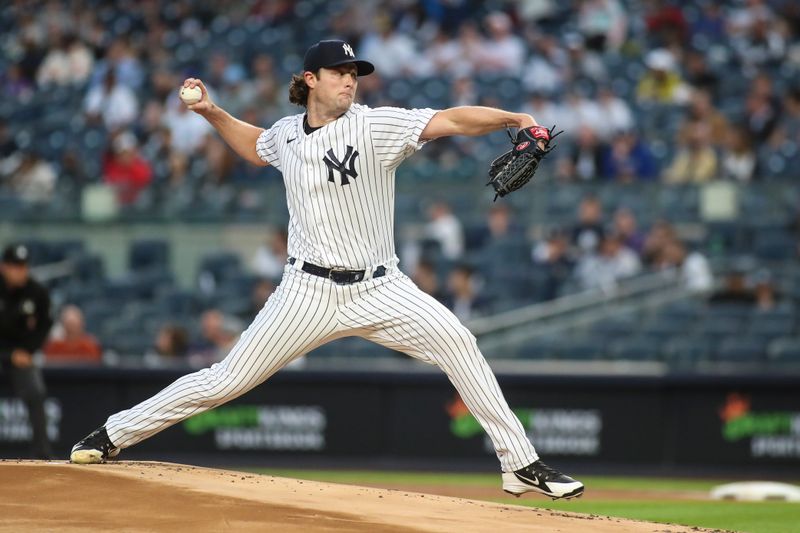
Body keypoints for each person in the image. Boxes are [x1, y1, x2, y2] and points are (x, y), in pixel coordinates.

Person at [70, 39, 583, 500]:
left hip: (381, 287)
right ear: (311, 79)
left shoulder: (375, 125)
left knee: (460, 344)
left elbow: (450, 118)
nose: (349, 80)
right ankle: (114, 433)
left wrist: (514, 119)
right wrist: (210, 111)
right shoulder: (288, 135)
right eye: (339, 72)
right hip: (306, 291)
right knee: (224, 381)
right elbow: (256, 146)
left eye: (354, 73)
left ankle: (520, 465)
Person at [0, 244, 54, 458]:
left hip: (21, 356)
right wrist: (8, 354)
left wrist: (29, 351)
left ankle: (42, 452)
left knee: (36, 391)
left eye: (23, 266)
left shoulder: (36, 292)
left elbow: (45, 326)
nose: (20, 271)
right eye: (15, 266)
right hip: (5, 353)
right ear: (4, 267)